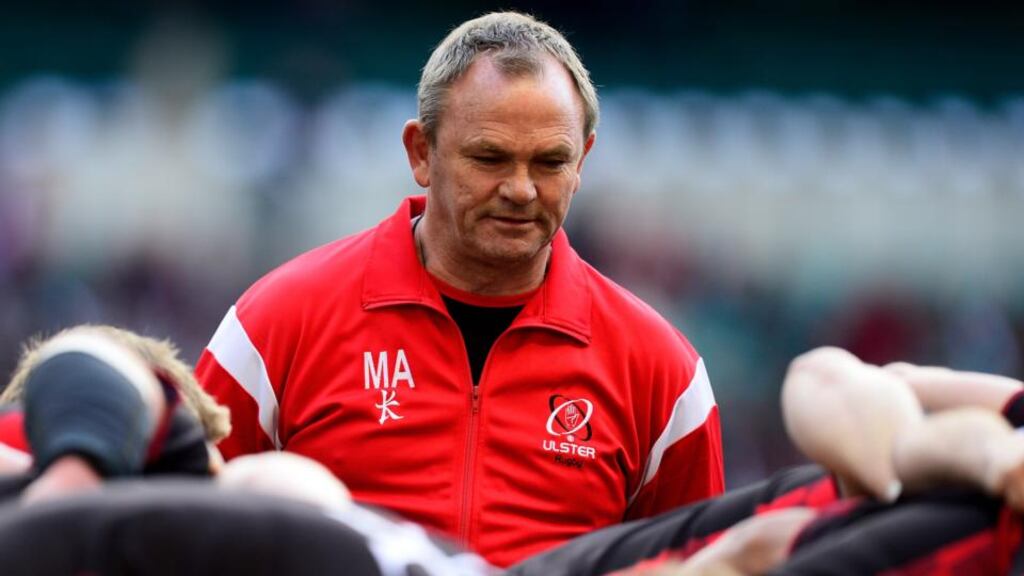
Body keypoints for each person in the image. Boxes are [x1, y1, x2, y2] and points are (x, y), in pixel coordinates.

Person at [195, 10, 723, 566]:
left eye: (550, 162)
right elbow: (182, 531)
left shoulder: (661, 369)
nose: (521, 189)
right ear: (421, 152)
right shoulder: (277, 322)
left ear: (583, 160)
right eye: (489, 157)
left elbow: (702, 562)